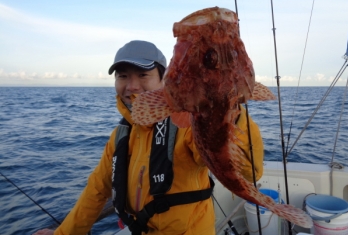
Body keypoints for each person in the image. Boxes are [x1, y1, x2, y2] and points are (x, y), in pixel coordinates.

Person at [34, 40, 264, 235]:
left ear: (166, 80)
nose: (132, 86)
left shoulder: (187, 122)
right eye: (122, 76)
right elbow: (96, 191)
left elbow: (249, 172)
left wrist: (231, 111)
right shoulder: (121, 135)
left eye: (144, 75)